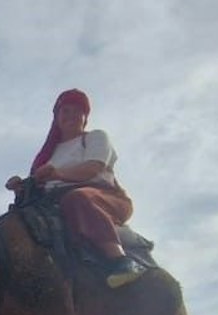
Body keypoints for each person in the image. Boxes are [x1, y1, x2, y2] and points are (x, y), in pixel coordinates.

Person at [7, 88, 143, 287]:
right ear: (57, 117)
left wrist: (57, 173)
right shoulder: (49, 154)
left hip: (103, 198)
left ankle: (120, 260)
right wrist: (22, 186)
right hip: (54, 203)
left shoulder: (95, 138)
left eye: (76, 111)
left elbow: (93, 168)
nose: (71, 116)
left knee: (77, 198)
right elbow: (41, 184)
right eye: (65, 111)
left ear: (85, 117)